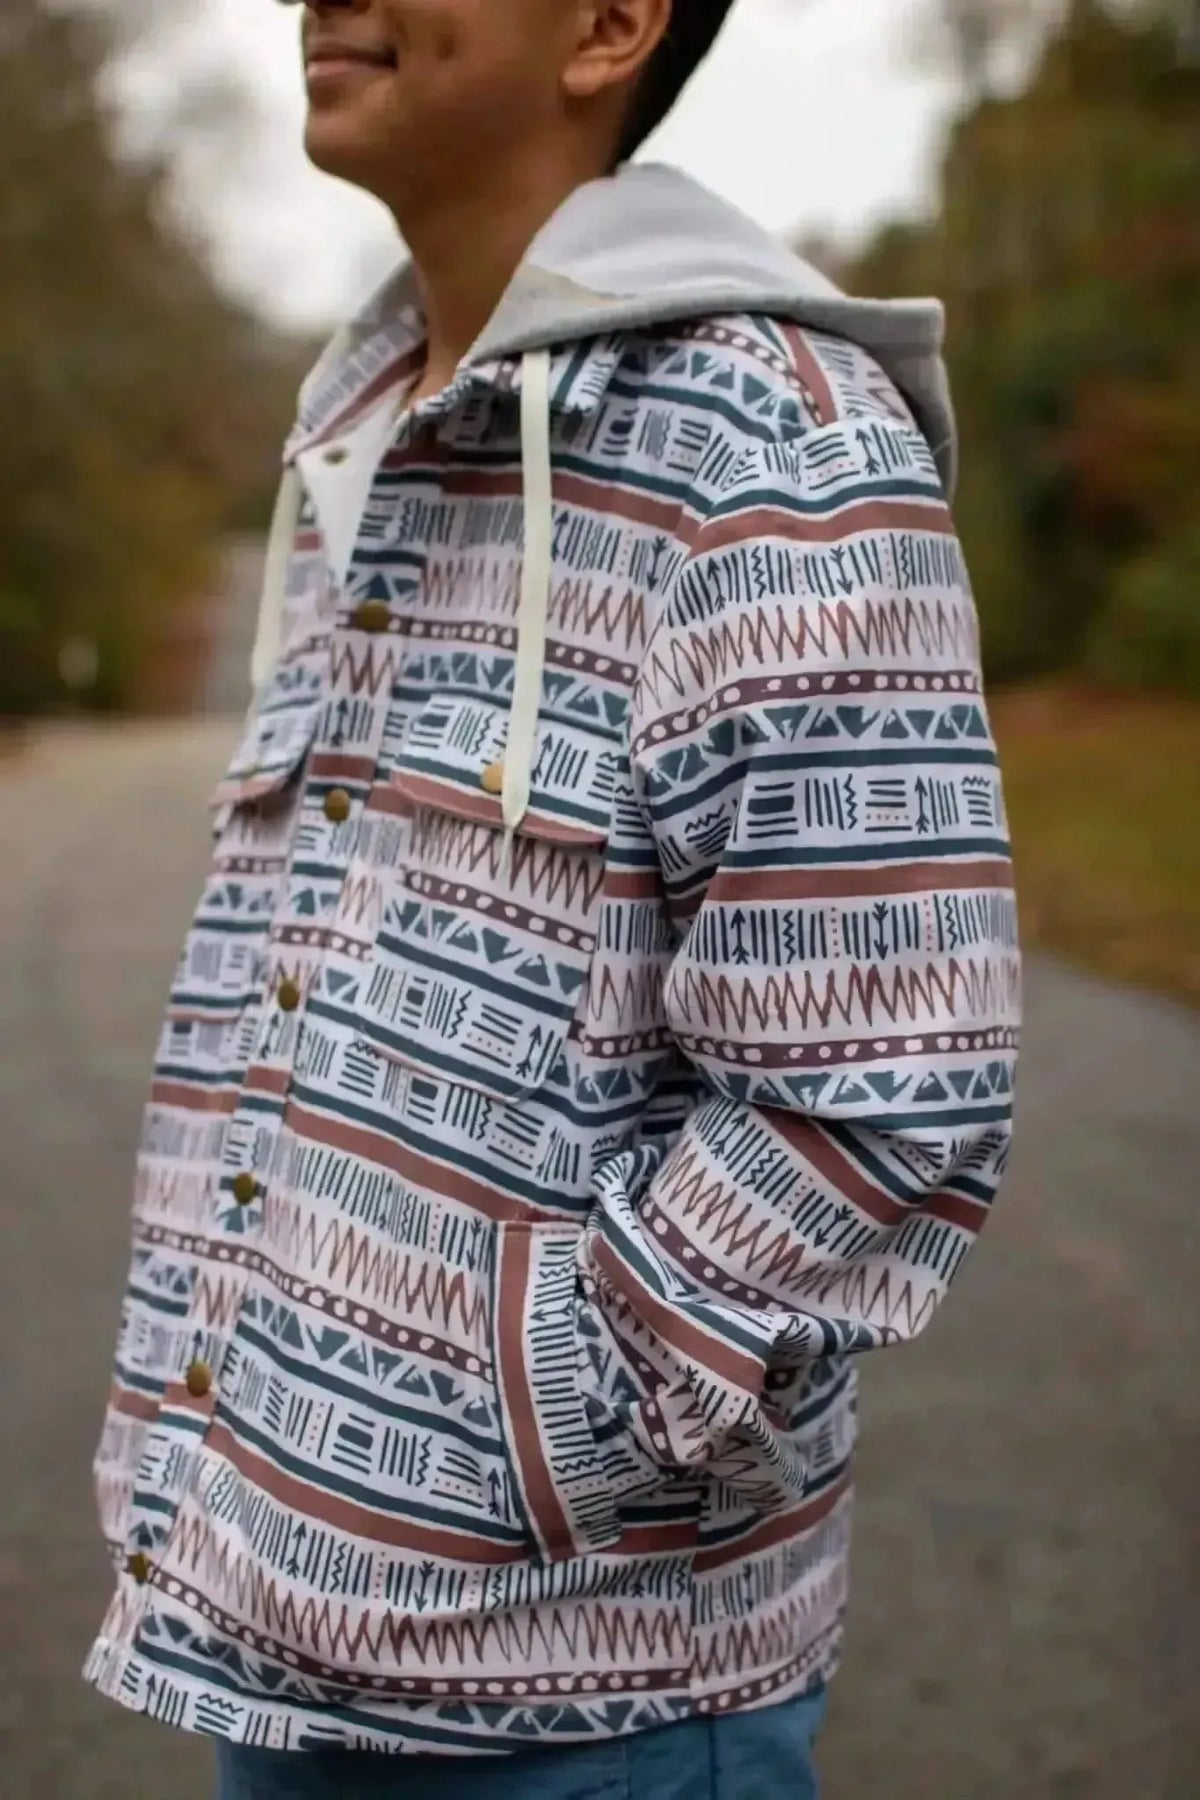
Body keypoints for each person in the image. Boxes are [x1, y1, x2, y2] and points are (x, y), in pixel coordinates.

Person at [85, 2, 1020, 1795]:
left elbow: (882, 1089)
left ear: (609, 25)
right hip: (275, 1634)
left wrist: (541, 1435)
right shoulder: (364, 425)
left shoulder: (775, 448)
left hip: (591, 1713)